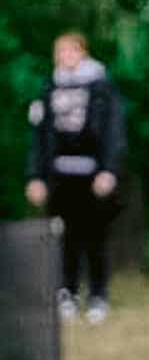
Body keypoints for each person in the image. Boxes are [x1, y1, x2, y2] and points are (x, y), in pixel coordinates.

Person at [25, 32, 126, 323]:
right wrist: (35, 176)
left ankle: (98, 295)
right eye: (59, 52)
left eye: (70, 51)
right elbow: (39, 136)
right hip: (60, 176)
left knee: (94, 235)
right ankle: (67, 292)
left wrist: (109, 169)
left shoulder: (102, 87)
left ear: (82, 53)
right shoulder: (49, 88)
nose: (64, 57)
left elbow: (113, 131)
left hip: (93, 175)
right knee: (63, 237)